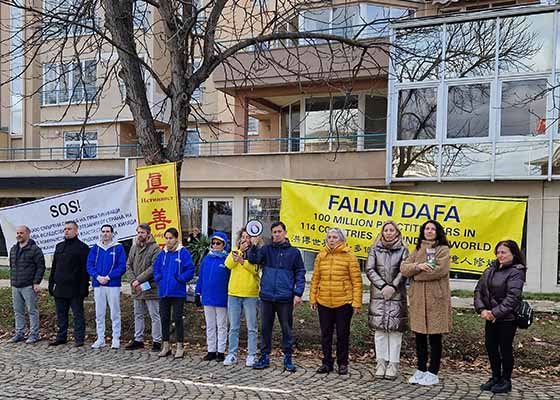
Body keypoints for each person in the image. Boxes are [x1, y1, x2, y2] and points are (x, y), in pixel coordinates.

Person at [247, 221, 305, 372]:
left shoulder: (294, 253)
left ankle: (288, 358)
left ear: (285, 233)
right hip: (266, 296)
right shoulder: (266, 249)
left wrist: (298, 292)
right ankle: (264, 357)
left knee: (287, 329)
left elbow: (300, 272)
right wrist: (253, 245)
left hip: (285, 297)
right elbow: (253, 259)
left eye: (279, 231)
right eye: (274, 232)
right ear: (271, 234)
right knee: (265, 328)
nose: (277, 234)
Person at [400, 219, 452, 386]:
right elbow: (403, 268)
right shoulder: (416, 249)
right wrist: (418, 266)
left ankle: (433, 371)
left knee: (435, 337)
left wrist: (415, 274)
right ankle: (421, 368)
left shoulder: (443, 249)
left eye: (432, 229)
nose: (429, 231)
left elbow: (438, 271)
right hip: (418, 299)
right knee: (420, 336)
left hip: (436, 298)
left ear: (437, 232)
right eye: (426, 228)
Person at [474, 240, 526, 394]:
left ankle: (506, 380)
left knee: (504, 349)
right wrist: (482, 310)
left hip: (507, 318)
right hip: (490, 317)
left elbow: (512, 298)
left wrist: (495, 313)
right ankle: (495, 376)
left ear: (513, 254)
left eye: (503, 252)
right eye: (498, 252)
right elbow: (479, 291)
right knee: (491, 348)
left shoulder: (516, 271)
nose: (500, 255)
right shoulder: (490, 269)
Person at [309, 227, 362, 375]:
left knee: (342, 334)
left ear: (342, 240)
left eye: (334, 237)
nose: (331, 240)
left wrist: (356, 302)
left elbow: (357, 281)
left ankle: (343, 363)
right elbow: (315, 279)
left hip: (344, 302)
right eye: (329, 237)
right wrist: (313, 298)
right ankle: (326, 362)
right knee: (325, 334)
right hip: (324, 301)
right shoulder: (321, 255)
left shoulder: (350, 256)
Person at [366, 221, 409, 379]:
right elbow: (370, 269)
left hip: (396, 295)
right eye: (386, 230)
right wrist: (383, 286)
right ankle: (381, 363)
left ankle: (393, 364)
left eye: (392, 230)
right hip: (379, 294)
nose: (389, 233)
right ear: (382, 233)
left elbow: (404, 270)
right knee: (380, 331)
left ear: (397, 233)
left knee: (395, 332)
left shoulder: (403, 250)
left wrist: (393, 287)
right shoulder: (375, 249)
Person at [153, 227, 195, 359]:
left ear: (176, 238)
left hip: (177, 292)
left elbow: (190, 269)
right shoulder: (162, 253)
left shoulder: (183, 253)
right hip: (164, 292)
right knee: (164, 318)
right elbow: (156, 268)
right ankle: (166, 345)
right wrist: (159, 279)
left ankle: (180, 346)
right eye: (166, 238)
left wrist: (181, 278)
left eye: (171, 238)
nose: (168, 240)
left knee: (177, 319)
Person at [48, 221, 90, 347]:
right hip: (60, 287)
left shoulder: (82, 247)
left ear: (76, 231)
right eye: (65, 229)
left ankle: (79, 338)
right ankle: (61, 337)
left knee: (78, 314)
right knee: (61, 314)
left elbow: (85, 270)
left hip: (75, 288)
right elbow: (54, 266)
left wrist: (84, 287)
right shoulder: (59, 246)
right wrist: (51, 283)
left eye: (69, 229)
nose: (66, 231)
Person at [223, 229, 261, 367]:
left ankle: (251, 355)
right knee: (233, 326)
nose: (245, 240)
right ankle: (232, 354)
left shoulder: (257, 252)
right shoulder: (235, 250)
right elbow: (228, 264)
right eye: (243, 237)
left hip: (250, 294)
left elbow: (255, 270)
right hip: (233, 293)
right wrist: (239, 251)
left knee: (252, 327)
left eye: (248, 237)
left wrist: (242, 261)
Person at [87, 224, 127, 349]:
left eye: (108, 231)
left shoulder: (118, 248)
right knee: (99, 312)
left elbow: (122, 266)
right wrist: (97, 277)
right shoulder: (95, 248)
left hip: (112, 284)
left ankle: (116, 338)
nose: (105, 233)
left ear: (112, 233)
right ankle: (100, 338)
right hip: (98, 284)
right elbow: (89, 265)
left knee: (115, 311)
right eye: (103, 231)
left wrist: (109, 277)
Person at [125, 223, 162, 352]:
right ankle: (138, 339)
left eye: (142, 232)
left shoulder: (155, 248)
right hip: (136, 287)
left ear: (148, 233)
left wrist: (139, 280)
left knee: (154, 315)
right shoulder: (134, 247)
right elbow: (128, 265)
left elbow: (153, 268)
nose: (140, 235)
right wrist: (133, 281)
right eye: (138, 232)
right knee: (138, 314)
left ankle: (157, 341)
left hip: (150, 286)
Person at [195, 232, 231, 362]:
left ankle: (221, 351)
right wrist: (197, 293)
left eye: (218, 243)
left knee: (221, 325)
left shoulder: (227, 260)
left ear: (224, 245)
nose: (215, 245)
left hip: (222, 297)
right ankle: (211, 350)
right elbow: (201, 277)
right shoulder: (207, 259)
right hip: (208, 297)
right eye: (213, 243)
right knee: (210, 325)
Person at [8, 225, 46, 344]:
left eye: (21, 233)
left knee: (32, 310)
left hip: (29, 286)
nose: (19, 235)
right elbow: (11, 266)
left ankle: (34, 334)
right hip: (16, 285)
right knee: (18, 310)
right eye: (17, 233)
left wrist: (36, 282)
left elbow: (41, 267)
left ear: (28, 234)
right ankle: (19, 333)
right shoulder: (13, 249)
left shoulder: (35, 249)